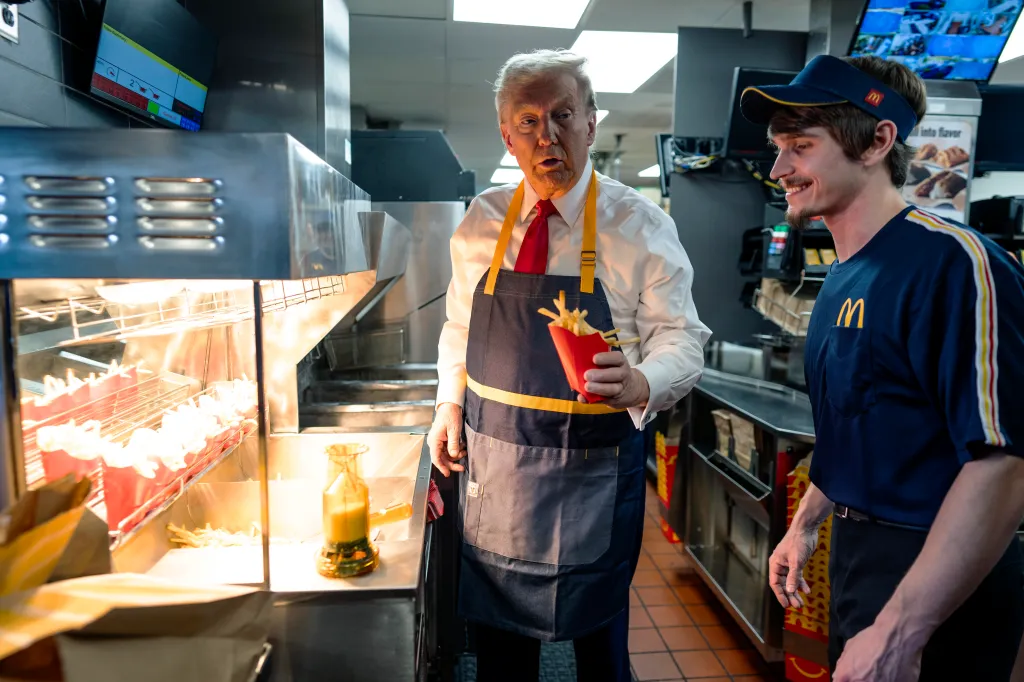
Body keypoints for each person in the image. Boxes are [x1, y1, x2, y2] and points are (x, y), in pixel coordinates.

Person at [428, 49, 709, 682]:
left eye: (562, 115)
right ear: (507, 135)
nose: (546, 135)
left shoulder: (639, 225)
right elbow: (461, 327)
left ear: (591, 122)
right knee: (502, 658)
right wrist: (448, 404)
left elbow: (684, 341)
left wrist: (642, 381)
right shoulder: (482, 222)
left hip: (593, 478)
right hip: (496, 475)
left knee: (599, 654)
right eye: (527, 121)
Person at [741, 54, 1024, 681]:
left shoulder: (956, 264)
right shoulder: (840, 279)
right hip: (858, 558)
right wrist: (807, 523)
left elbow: (1004, 464)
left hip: (941, 577)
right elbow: (860, 425)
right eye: (778, 148)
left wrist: (900, 632)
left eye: (800, 146)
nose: (779, 169)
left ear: (877, 141)